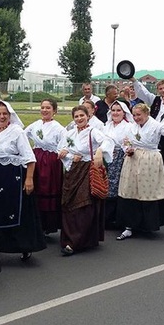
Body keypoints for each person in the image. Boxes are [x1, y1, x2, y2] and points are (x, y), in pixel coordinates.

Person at [0, 101, 45, 261]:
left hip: (13, 177)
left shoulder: (17, 131)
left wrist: (29, 178)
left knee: (14, 211)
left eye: (5, 114)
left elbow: (29, 157)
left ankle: (22, 246)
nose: (1, 117)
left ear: (10, 115)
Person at [115, 103, 164, 240]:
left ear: (147, 114)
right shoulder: (132, 127)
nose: (136, 118)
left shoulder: (156, 125)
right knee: (130, 190)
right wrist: (128, 149)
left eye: (139, 115)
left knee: (147, 191)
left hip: (149, 160)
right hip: (133, 159)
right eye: (134, 115)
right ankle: (129, 226)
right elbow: (125, 142)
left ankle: (147, 224)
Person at [57, 105, 114, 256]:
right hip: (72, 171)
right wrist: (68, 155)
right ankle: (69, 238)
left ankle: (76, 241)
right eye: (76, 116)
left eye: (82, 115)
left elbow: (107, 141)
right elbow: (61, 150)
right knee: (69, 205)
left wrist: (99, 151)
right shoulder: (69, 133)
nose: (79, 119)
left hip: (87, 170)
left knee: (83, 205)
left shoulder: (93, 132)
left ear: (88, 116)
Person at [25, 98, 66, 237]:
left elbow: (64, 145)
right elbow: (23, 136)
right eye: (43, 107)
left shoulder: (59, 128)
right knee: (35, 188)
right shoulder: (35, 125)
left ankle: (48, 225)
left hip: (51, 162)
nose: (45, 110)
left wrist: (61, 152)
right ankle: (36, 223)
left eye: (48, 108)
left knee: (48, 189)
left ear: (54, 110)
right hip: (36, 158)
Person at [103, 100, 132, 230]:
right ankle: (105, 218)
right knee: (104, 185)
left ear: (124, 112)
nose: (115, 113)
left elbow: (129, 143)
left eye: (118, 110)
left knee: (115, 186)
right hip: (105, 158)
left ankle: (115, 217)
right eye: (113, 110)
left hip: (120, 159)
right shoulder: (106, 125)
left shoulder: (128, 126)